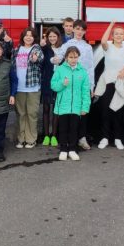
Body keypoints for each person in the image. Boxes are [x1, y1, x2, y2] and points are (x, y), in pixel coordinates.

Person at [54, 19, 94, 150]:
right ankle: (66, 141)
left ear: (84, 32)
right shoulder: (67, 44)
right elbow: (58, 57)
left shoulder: (88, 47)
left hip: (82, 84)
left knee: (82, 112)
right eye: (77, 29)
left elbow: (90, 67)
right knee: (68, 114)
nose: (79, 32)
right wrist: (54, 59)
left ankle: (82, 138)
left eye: (82, 30)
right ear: (73, 30)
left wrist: (91, 86)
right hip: (69, 85)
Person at [51, 46, 91, 161]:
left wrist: (85, 107)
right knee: (63, 128)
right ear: (66, 57)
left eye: (75, 57)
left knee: (74, 129)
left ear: (78, 57)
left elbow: (85, 91)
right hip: (63, 105)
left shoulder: (82, 72)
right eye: (71, 57)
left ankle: (72, 149)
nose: (73, 59)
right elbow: (53, 86)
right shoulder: (60, 69)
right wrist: (62, 83)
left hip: (76, 107)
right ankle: (63, 149)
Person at [95, 21, 124, 151]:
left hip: (120, 83)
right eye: (116, 34)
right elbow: (103, 40)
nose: (119, 36)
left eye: (121, 34)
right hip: (108, 83)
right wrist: (111, 25)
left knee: (118, 111)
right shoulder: (107, 47)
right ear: (112, 36)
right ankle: (104, 138)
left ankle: (118, 139)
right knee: (106, 111)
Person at [12, 27, 44, 149]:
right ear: (23, 37)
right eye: (26, 35)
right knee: (21, 114)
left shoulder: (36, 49)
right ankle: (21, 139)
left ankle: (31, 139)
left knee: (32, 114)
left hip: (33, 88)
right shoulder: (16, 49)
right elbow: (12, 66)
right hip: (19, 88)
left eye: (31, 35)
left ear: (34, 37)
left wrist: (35, 58)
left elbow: (40, 58)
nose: (28, 37)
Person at [40, 27, 62, 147]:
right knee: (46, 109)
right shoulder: (44, 49)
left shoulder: (63, 49)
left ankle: (54, 135)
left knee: (56, 109)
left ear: (58, 37)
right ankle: (46, 136)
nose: (52, 38)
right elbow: (41, 64)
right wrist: (40, 46)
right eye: (50, 37)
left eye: (54, 36)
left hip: (59, 83)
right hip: (47, 81)